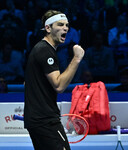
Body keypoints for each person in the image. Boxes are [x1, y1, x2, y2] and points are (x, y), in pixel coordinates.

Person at [24, 10, 85, 150]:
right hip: (44, 121)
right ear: (48, 28)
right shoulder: (44, 50)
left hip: (39, 119)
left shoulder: (43, 50)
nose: (65, 28)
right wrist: (76, 59)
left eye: (67, 25)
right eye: (60, 24)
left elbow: (28, 82)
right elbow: (59, 85)